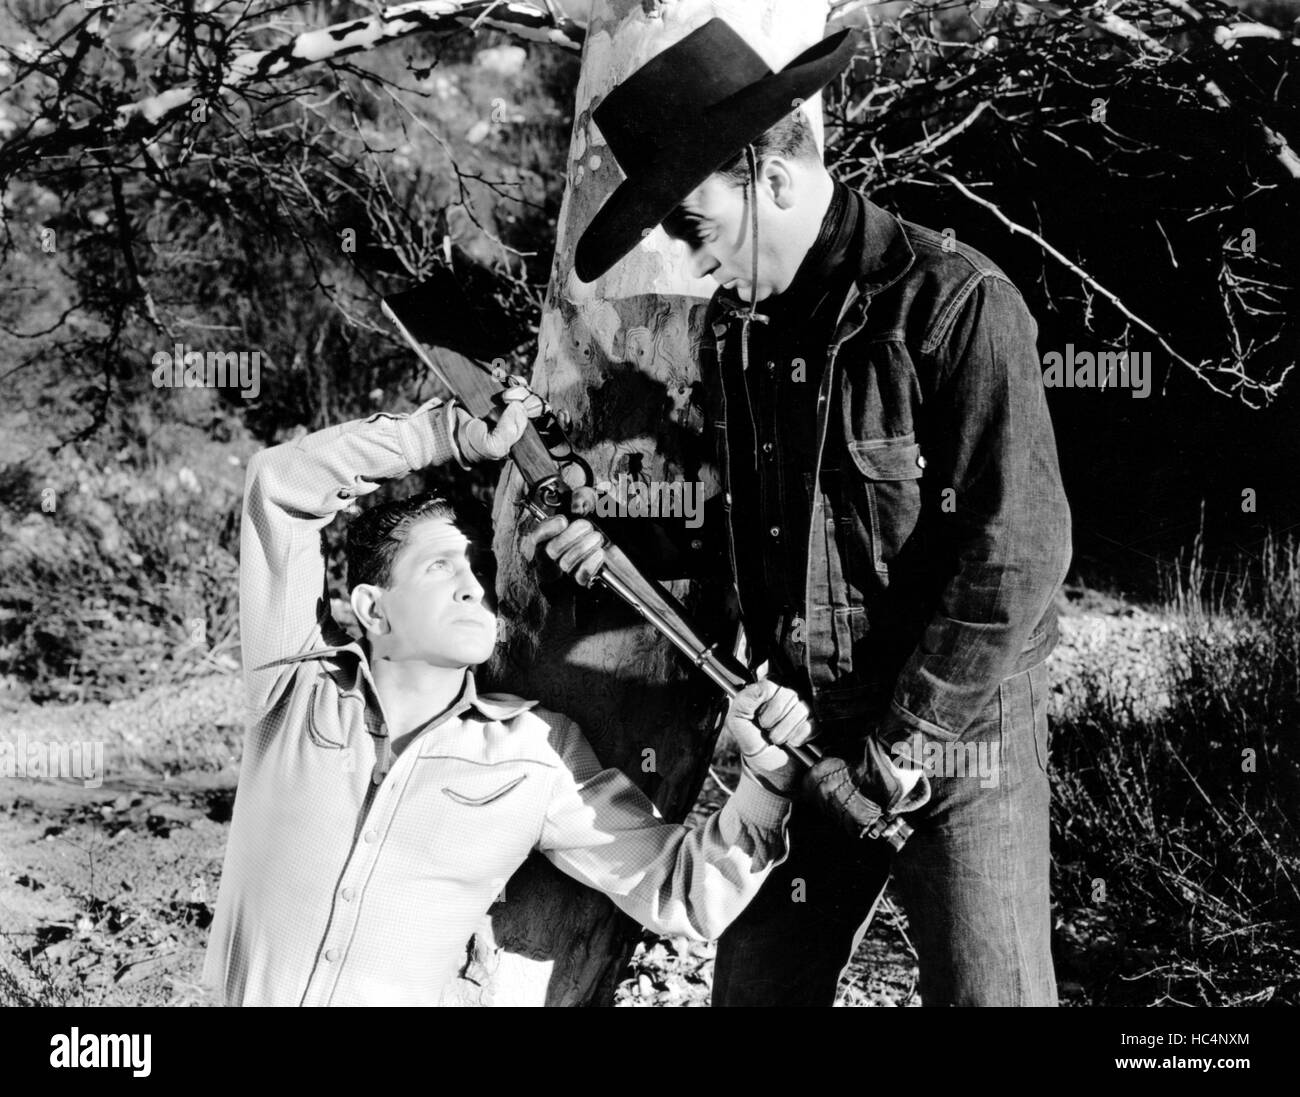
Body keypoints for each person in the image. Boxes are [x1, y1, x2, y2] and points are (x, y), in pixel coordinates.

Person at [536, 17, 1073, 1006]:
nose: (690, 264)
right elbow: (740, 526)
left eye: (693, 227)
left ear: (769, 178)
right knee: (755, 992)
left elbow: (1016, 557)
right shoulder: (749, 339)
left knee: (990, 997)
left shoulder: (953, 304)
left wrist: (896, 750)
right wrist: (613, 528)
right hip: (801, 728)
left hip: (958, 734)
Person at [202, 392, 809, 1006]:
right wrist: (444, 436)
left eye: (479, 569)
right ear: (372, 607)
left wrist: (766, 778)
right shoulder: (296, 689)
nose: (474, 589)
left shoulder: (535, 752)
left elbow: (680, 892)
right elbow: (280, 484)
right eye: (440, 567)